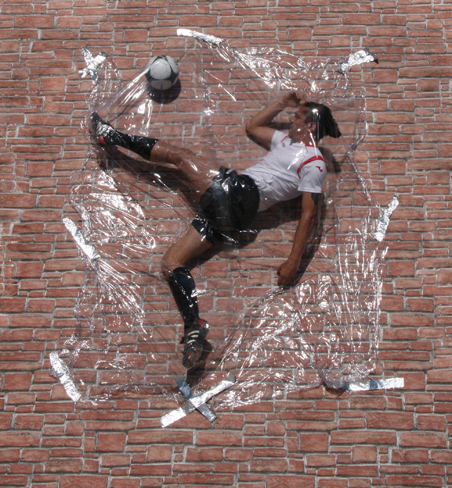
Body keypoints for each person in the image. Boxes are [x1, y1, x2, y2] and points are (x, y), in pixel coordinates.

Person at [90, 92, 341, 368]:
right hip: (230, 215)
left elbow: (309, 213)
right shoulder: (285, 142)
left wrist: (295, 261)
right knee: (171, 263)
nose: (290, 120)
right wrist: (283, 102)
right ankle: (193, 328)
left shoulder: (314, 163)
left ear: (310, 126)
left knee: (181, 156)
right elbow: (253, 126)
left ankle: (110, 136)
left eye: (296, 117)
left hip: (241, 194)